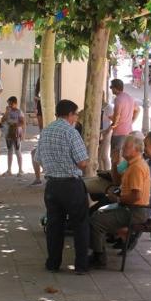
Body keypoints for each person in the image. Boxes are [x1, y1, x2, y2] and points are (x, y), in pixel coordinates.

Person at [38, 99, 91, 274]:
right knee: (80, 225)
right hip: (71, 185)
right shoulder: (71, 132)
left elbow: (38, 158)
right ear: (69, 115)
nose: (76, 118)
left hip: (52, 185)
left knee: (54, 227)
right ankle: (81, 266)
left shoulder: (46, 131)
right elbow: (83, 162)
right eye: (75, 114)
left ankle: (53, 263)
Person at [88, 132, 151, 269]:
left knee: (96, 221)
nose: (123, 150)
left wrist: (117, 198)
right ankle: (97, 251)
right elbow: (117, 182)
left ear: (137, 149)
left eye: (127, 147)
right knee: (96, 212)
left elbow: (136, 196)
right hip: (129, 207)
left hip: (134, 211)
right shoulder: (131, 164)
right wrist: (115, 163)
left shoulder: (137, 167)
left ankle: (99, 257)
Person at [108, 79, 134, 169]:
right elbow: (137, 110)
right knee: (124, 157)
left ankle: (115, 180)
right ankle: (122, 178)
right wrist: (131, 120)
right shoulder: (129, 97)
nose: (111, 90)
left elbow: (117, 116)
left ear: (115, 88)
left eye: (112, 87)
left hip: (118, 133)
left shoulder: (118, 99)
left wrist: (112, 122)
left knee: (115, 158)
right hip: (129, 131)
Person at [3, 96, 26, 175]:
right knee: (9, 151)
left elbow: (22, 122)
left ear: (15, 103)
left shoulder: (19, 112)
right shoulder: (7, 111)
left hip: (16, 133)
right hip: (8, 133)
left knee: (17, 151)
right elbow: (3, 120)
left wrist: (21, 132)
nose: (9, 105)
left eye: (11, 104)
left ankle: (20, 170)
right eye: (8, 104)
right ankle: (9, 170)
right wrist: (6, 112)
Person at [98, 97, 114, 172]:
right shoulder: (97, 105)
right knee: (98, 156)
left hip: (106, 132)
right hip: (98, 133)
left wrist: (108, 130)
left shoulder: (108, 107)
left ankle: (107, 171)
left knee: (104, 155)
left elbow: (115, 121)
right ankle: (101, 171)